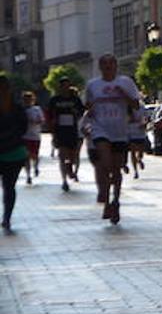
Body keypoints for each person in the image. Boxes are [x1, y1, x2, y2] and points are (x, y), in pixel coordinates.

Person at [85, 54, 142, 225]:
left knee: (116, 169)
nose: (108, 66)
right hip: (100, 128)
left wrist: (123, 95)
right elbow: (88, 105)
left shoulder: (126, 82)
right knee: (105, 163)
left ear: (116, 66)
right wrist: (89, 114)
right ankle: (104, 194)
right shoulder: (93, 85)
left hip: (119, 131)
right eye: (105, 64)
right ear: (100, 67)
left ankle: (115, 200)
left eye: (111, 63)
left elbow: (136, 105)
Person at [0, 77, 29, 230]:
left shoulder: (17, 108)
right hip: (15, 152)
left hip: (12, 152)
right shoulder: (17, 108)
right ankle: (7, 218)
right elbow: (23, 129)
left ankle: (7, 217)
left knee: (9, 187)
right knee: (9, 187)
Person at [47, 79, 84, 192]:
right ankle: (64, 181)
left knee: (73, 155)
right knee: (62, 156)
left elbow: (81, 112)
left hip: (72, 130)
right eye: (63, 86)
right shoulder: (55, 100)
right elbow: (48, 114)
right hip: (60, 131)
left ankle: (70, 166)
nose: (65, 88)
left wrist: (76, 113)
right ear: (60, 87)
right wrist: (52, 126)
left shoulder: (75, 99)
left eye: (67, 86)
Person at [22, 91, 44, 185]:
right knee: (26, 156)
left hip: (35, 136)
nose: (28, 101)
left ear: (33, 100)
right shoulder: (21, 110)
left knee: (34, 155)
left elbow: (42, 120)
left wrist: (36, 121)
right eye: (26, 100)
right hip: (24, 136)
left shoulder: (37, 109)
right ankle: (28, 176)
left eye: (30, 99)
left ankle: (35, 167)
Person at [128, 102, 149, 180]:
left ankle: (139, 159)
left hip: (140, 133)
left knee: (140, 152)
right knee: (133, 152)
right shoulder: (127, 107)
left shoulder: (142, 107)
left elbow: (146, 118)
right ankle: (135, 171)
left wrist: (144, 123)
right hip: (130, 133)